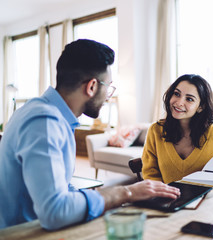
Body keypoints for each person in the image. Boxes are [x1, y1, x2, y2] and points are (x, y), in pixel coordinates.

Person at [0, 39, 180, 230]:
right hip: (22, 232)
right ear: (92, 86)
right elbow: (55, 212)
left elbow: (63, 190)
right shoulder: (45, 122)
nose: (108, 97)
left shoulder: (45, 113)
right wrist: (126, 193)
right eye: (108, 87)